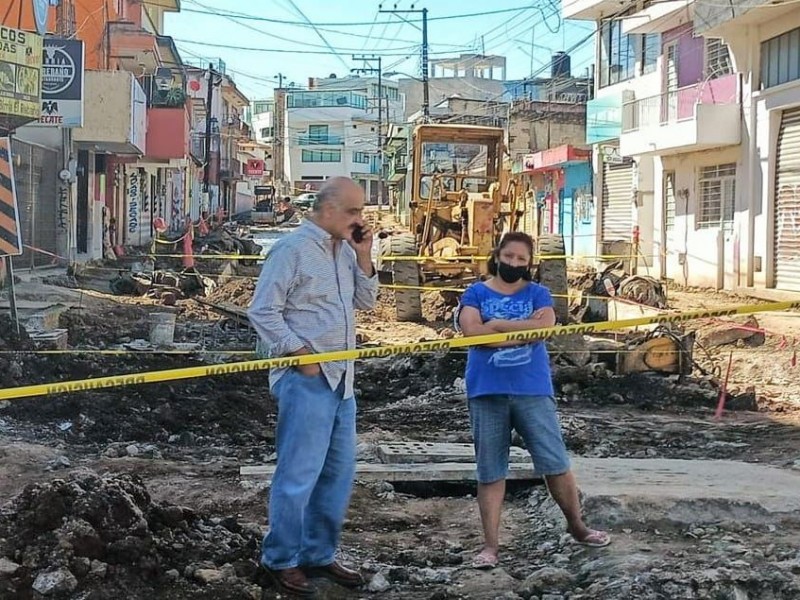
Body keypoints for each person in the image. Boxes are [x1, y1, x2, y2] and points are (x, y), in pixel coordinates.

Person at [248, 176, 378, 596]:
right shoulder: (292, 250)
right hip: (308, 379)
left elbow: (367, 302)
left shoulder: (344, 251)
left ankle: (319, 555)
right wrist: (297, 353)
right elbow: (263, 310)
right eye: (353, 211)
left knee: (337, 475)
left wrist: (364, 256)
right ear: (327, 209)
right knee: (298, 475)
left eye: (362, 211)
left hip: (343, 382)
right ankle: (280, 559)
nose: (360, 219)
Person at [456, 231, 610, 570]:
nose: (513, 263)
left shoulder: (538, 292)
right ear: (497, 256)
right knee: (491, 471)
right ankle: (491, 547)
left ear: (530, 263)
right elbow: (471, 333)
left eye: (521, 259)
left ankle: (578, 526)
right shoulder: (475, 292)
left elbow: (544, 328)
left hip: (532, 390)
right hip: (487, 392)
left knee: (554, 463)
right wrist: (512, 332)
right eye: (508, 256)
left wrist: (495, 325)